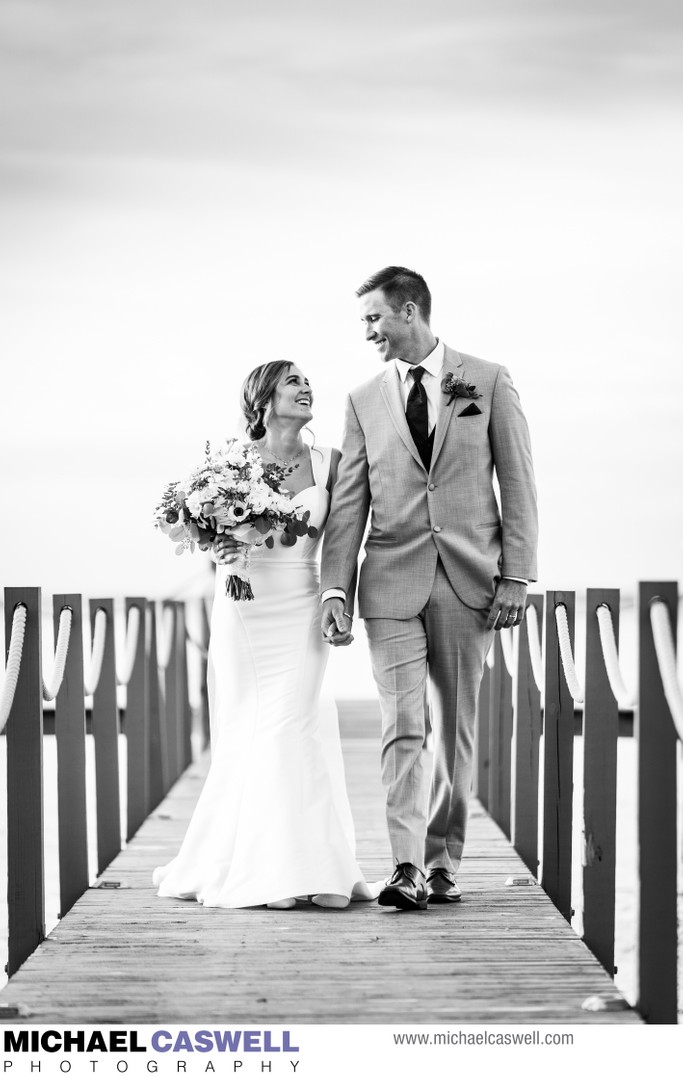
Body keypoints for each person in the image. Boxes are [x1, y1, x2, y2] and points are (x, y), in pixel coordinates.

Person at [321, 266, 538, 911]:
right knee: (402, 723)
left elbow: (519, 485)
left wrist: (518, 575)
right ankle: (407, 866)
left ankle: (446, 860)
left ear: (409, 311)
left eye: (373, 319)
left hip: (472, 582)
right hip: (388, 582)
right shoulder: (363, 400)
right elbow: (348, 504)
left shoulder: (488, 380)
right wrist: (335, 587)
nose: (368, 333)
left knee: (456, 729)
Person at [153, 360, 379, 910]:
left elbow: (345, 536)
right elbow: (186, 522)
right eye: (292, 382)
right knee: (250, 726)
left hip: (302, 602)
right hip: (243, 603)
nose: (306, 389)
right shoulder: (229, 461)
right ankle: (268, 867)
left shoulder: (333, 462)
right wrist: (217, 547)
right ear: (264, 398)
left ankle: (311, 866)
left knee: (292, 723)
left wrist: (338, 596)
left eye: (307, 382)